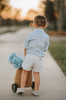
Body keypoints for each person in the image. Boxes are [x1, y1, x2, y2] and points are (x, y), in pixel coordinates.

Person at [17, 15, 50, 96]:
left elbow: (25, 46)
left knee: (25, 72)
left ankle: (22, 88)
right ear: (45, 26)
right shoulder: (46, 36)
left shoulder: (30, 35)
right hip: (39, 58)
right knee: (36, 73)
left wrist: (26, 57)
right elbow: (45, 48)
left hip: (30, 56)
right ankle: (36, 91)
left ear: (34, 24)